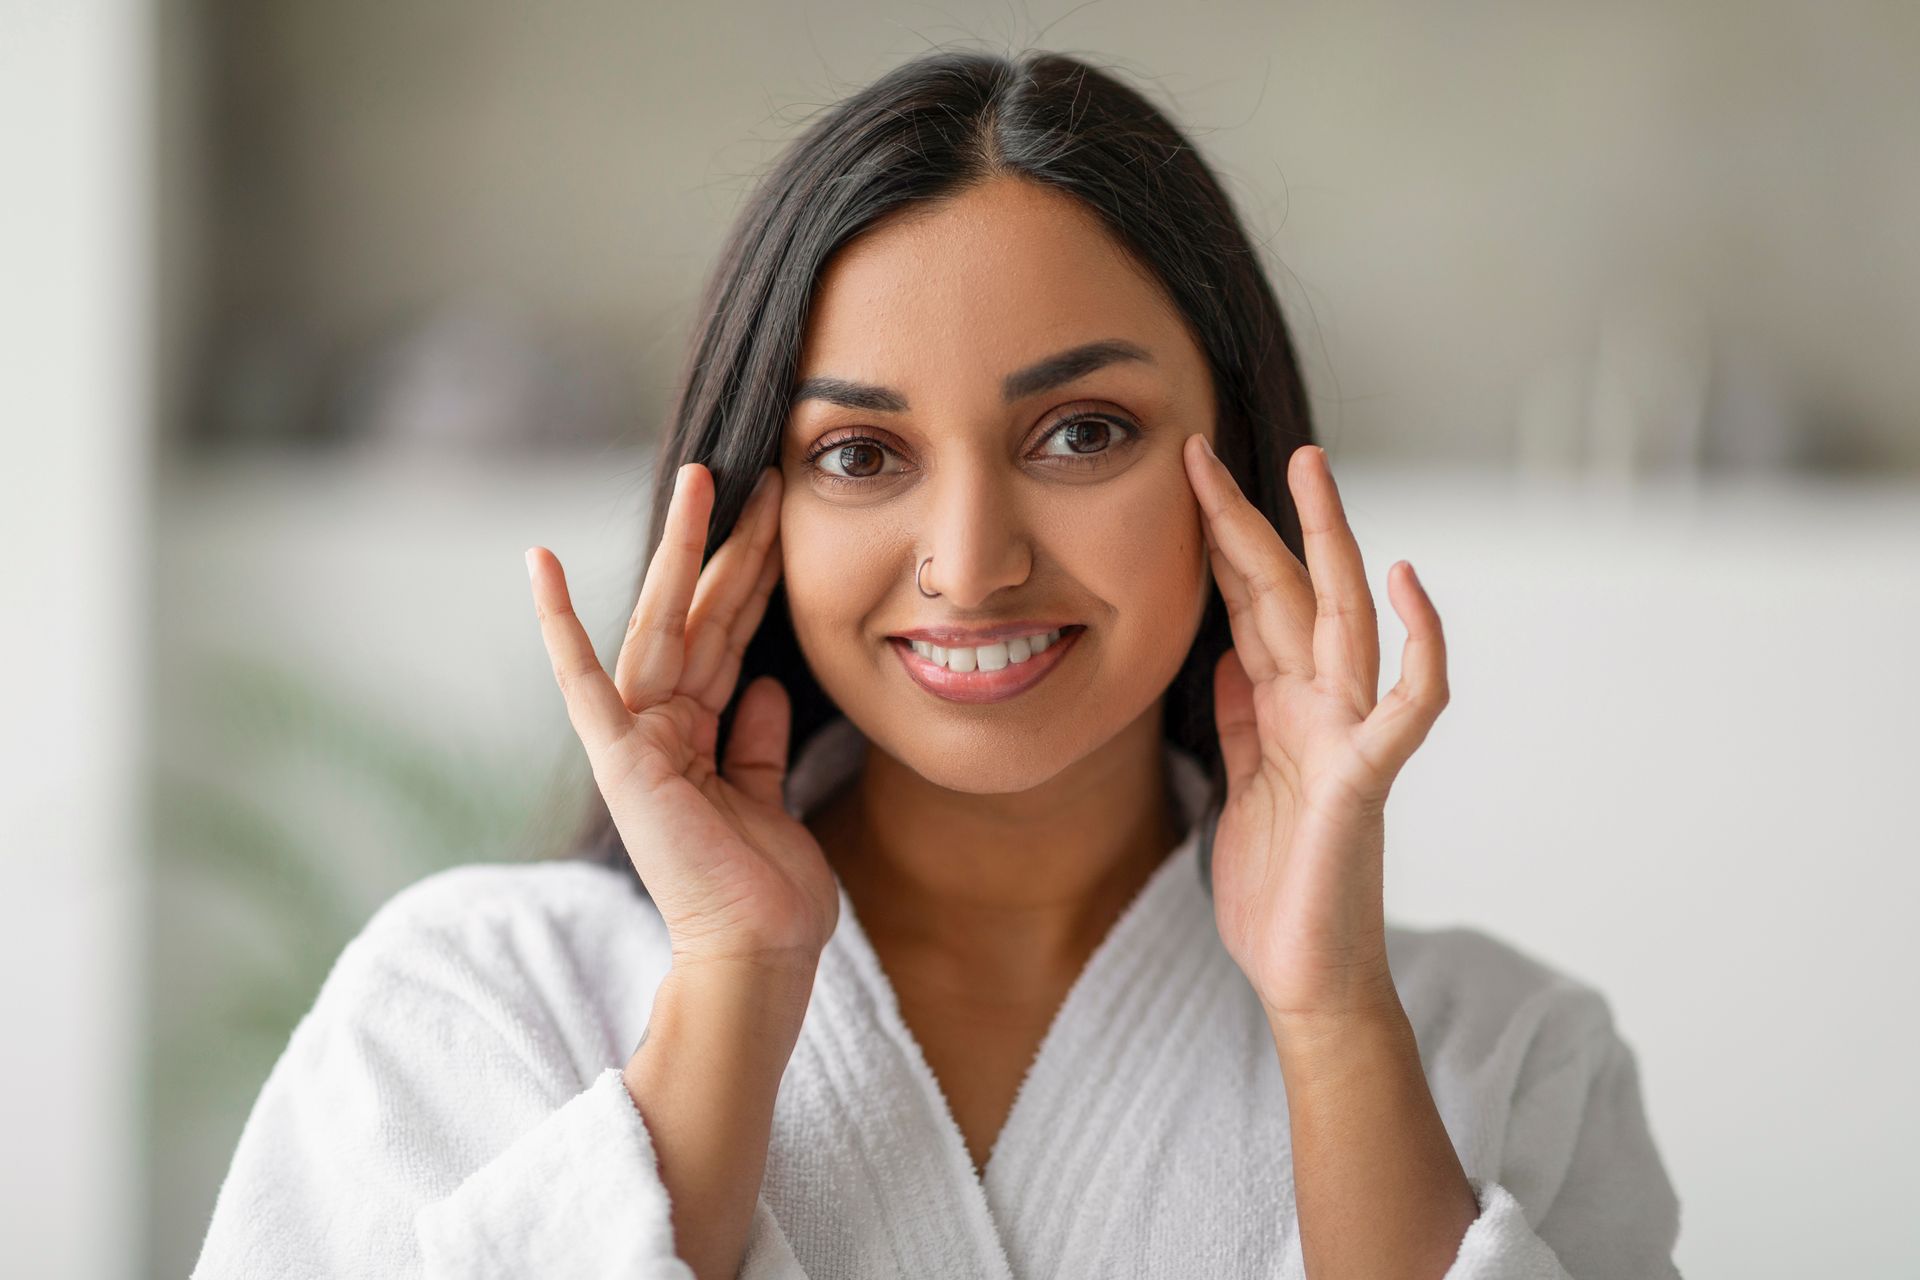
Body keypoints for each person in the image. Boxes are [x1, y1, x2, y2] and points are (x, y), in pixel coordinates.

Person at [193, 48, 1683, 1280]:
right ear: (746, 506)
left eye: (1081, 432)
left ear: (1232, 453)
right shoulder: (468, 1007)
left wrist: (1335, 1007)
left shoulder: (1511, 1059)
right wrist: (733, 980)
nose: (970, 562)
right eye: (859, 453)